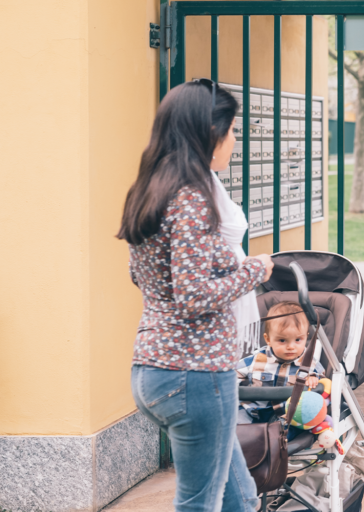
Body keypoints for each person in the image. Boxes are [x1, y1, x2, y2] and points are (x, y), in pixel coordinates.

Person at [119, 78, 274, 512]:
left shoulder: (149, 191)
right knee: (199, 503)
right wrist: (254, 270)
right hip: (196, 372)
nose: (235, 140)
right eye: (233, 130)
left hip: (155, 368)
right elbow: (192, 296)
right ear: (211, 133)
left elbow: (142, 276)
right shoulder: (191, 198)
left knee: (240, 499)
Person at [236, 301, 324, 427]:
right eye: (282, 340)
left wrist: (314, 378)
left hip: (287, 416)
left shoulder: (309, 363)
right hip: (253, 411)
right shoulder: (256, 360)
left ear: (306, 337)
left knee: (290, 428)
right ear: (268, 339)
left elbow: (322, 380)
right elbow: (232, 375)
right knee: (233, 424)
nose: (291, 347)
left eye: (298, 340)